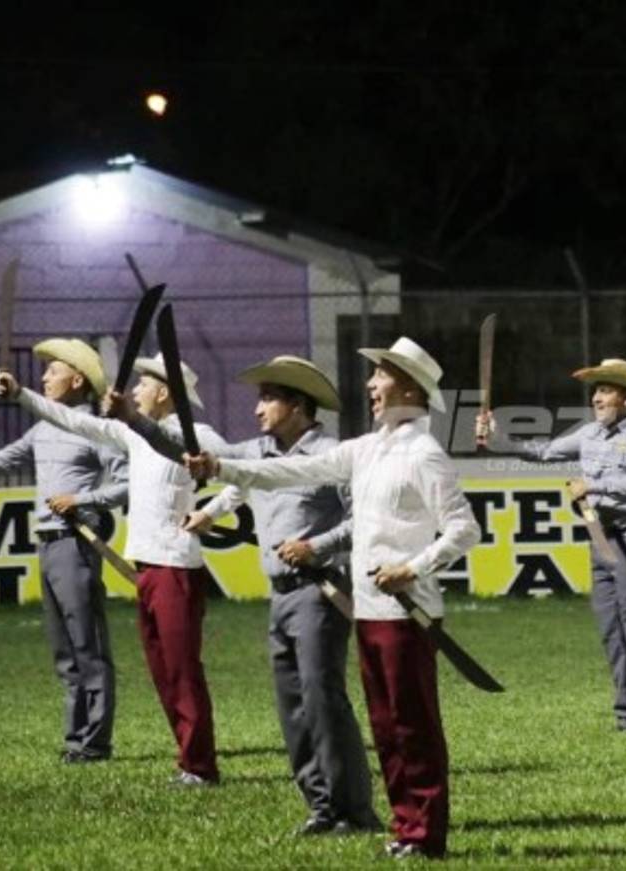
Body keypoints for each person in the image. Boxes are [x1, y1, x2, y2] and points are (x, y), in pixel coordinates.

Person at [185, 338, 480, 860]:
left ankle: (425, 834)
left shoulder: (425, 453)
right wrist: (222, 470)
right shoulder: (367, 448)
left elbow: (463, 531)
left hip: (407, 612)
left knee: (413, 725)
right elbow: (291, 471)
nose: (370, 384)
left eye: (381, 375)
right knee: (386, 728)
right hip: (367, 608)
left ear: (408, 386)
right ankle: (403, 826)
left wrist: (412, 568)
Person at [155, 356, 377, 834]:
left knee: (323, 702)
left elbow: (363, 521)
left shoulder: (334, 457)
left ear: (297, 405)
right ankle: (321, 807)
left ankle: (354, 811)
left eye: (267, 398)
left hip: (320, 593)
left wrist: (315, 545)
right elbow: (187, 450)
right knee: (292, 707)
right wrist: (132, 419)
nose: (257, 409)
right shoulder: (259, 452)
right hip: (279, 596)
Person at [0, 354, 225, 786]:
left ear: (162, 392)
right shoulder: (133, 434)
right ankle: (190, 759)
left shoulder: (200, 435)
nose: (134, 390)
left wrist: (212, 511)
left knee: (181, 669)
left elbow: (242, 473)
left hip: (177, 566)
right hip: (147, 565)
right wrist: (22, 395)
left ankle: (200, 765)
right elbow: (77, 422)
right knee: (162, 670)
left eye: (142, 385)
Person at [477, 358, 626, 733]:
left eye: (605, 391)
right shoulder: (588, 434)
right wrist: (498, 440)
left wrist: (592, 486)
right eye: (596, 391)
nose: (596, 398)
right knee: (611, 630)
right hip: (599, 540)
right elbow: (544, 451)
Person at [0, 339, 127, 763]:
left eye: (53, 371)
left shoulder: (98, 429)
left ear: (77, 379)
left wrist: (83, 502)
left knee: (88, 647)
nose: (45, 377)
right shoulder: (43, 427)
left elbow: (127, 483)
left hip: (75, 544)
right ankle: (76, 740)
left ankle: (95, 742)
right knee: (64, 650)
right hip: (46, 547)